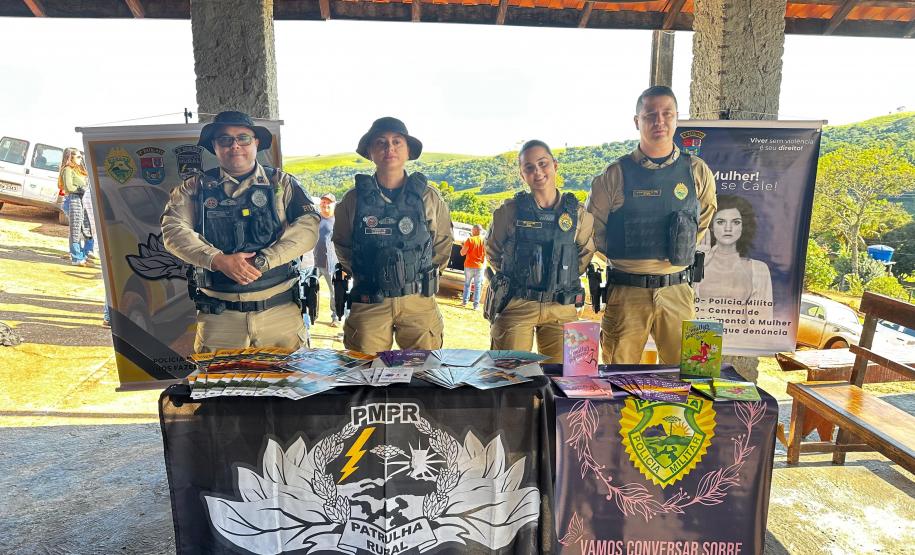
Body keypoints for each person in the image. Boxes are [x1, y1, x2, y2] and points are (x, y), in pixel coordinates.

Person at [161, 111, 320, 353]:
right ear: (214, 146)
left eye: (243, 137)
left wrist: (264, 261)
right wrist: (217, 260)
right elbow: (173, 230)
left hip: (280, 315)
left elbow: (308, 228)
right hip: (219, 319)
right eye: (225, 139)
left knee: (288, 385)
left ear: (256, 142)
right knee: (221, 389)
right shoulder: (194, 188)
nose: (234, 145)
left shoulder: (282, 183)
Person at [587, 86, 717, 364]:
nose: (659, 121)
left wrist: (678, 250)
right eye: (650, 115)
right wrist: (625, 257)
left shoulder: (696, 171)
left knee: (687, 376)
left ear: (676, 118)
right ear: (637, 121)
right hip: (626, 293)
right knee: (617, 378)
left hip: (678, 291)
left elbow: (703, 218)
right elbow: (592, 229)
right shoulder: (615, 174)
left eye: (666, 113)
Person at [332, 117, 452, 355]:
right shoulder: (353, 200)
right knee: (365, 375)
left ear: (408, 150)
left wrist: (423, 275)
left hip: (418, 300)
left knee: (424, 375)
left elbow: (443, 244)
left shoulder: (429, 198)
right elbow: (343, 244)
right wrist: (369, 274)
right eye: (381, 142)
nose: (390, 149)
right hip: (370, 301)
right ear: (370, 151)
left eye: (397, 142)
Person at [486, 140, 596, 363]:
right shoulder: (508, 212)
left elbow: (583, 255)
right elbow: (493, 251)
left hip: (562, 307)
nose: (537, 172)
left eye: (543, 163)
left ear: (555, 165)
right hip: (517, 303)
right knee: (507, 377)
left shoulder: (578, 215)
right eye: (529, 167)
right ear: (522, 175)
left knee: (562, 380)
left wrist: (559, 278)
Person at [694, 194, 773, 326]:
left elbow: (762, 323)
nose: (728, 228)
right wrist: (699, 264)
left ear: (743, 226)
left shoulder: (758, 269)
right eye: (721, 222)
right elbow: (679, 304)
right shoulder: (697, 262)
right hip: (699, 339)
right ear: (711, 226)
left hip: (740, 342)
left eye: (736, 222)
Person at [57, 148, 94, 266]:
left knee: (86, 227)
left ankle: (85, 254)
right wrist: (83, 190)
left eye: (81, 156)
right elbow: (68, 187)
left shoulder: (79, 169)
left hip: (82, 201)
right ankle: (77, 257)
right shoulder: (67, 169)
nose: (80, 158)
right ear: (70, 157)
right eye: (78, 156)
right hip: (73, 200)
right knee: (76, 230)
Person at [315, 192, 341, 326]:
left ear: (333, 204)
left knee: (335, 292)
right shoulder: (314, 219)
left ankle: (336, 317)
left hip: (331, 262)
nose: (325, 204)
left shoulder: (338, 220)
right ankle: (311, 315)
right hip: (314, 262)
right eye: (323, 202)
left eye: (328, 202)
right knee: (310, 290)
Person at [460, 225, 485, 309]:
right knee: (478, 286)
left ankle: (464, 302)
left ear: (474, 230)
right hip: (479, 266)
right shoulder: (484, 241)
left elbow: (462, 253)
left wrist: (463, 247)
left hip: (469, 265)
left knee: (467, 284)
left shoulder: (470, 240)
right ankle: (476, 306)